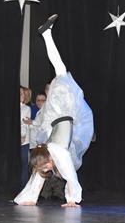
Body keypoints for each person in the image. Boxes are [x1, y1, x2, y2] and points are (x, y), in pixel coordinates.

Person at [14, 14, 94, 207]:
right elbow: (45, 170)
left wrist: (72, 199)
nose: (48, 170)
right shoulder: (46, 149)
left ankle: (46, 34)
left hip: (64, 113)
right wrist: (29, 198)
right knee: (60, 69)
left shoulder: (56, 150)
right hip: (61, 118)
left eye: (46, 166)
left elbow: (70, 174)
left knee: (60, 71)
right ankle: (46, 34)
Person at [19, 86, 32, 187]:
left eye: (21, 94)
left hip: (23, 142)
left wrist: (22, 135)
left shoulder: (26, 108)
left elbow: (25, 124)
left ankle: (24, 188)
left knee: (23, 165)